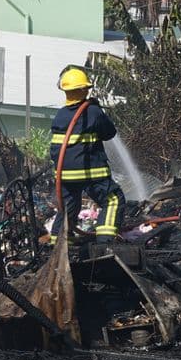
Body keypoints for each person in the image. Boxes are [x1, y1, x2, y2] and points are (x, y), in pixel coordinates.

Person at [49, 67, 125, 245]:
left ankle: (58, 243)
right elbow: (109, 133)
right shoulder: (92, 112)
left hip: (64, 174)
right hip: (90, 172)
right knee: (113, 199)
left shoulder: (60, 114)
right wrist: (97, 109)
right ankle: (105, 241)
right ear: (84, 89)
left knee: (67, 207)